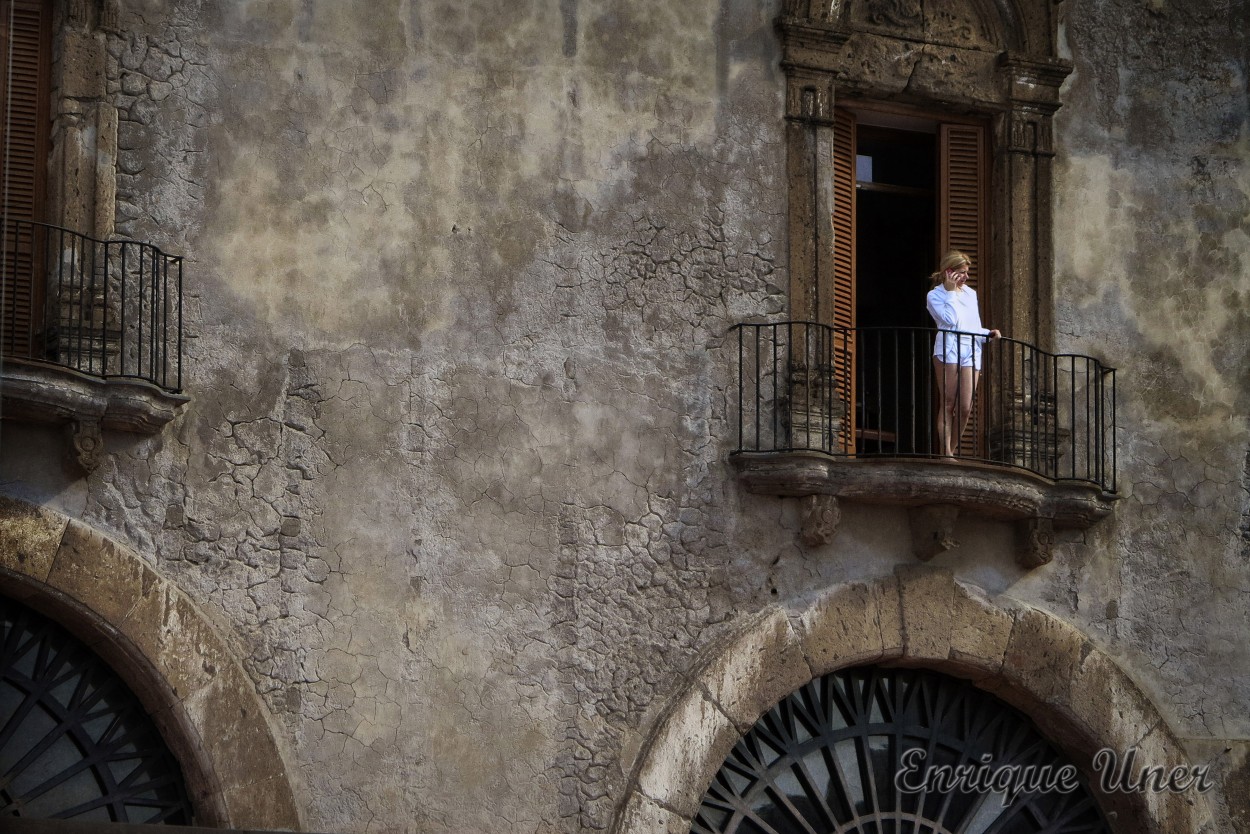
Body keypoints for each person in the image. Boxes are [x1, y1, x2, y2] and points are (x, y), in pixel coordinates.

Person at [925, 251, 1001, 459]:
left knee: (965, 407)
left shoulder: (970, 294)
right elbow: (950, 321)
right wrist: (950, 292)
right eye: (962, 272)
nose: (967, 277)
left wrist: (988, 334)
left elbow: (971, 325)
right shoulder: (935, 295)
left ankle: (952, 448)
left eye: (967, 272)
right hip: (948, 349)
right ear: (949, 272)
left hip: (971, 350)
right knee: (948, 402)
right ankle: (946, 453)